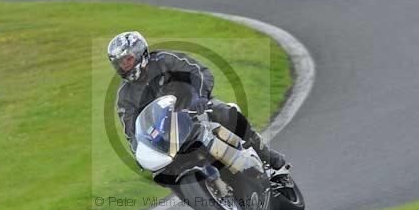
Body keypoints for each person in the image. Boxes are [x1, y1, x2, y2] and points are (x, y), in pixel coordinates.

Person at [108, 31, 286, 170]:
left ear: (140, 52)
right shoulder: (125, 96)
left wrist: (201, 96)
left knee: (224, 112)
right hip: (168, 133)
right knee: (162, 171)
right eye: (120, 63)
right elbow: (131, 131)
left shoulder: (165, 59)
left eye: (128, 59)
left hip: (195, 109)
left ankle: (266, 154)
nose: (125, 66)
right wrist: (141, 154)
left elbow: (199, 72)